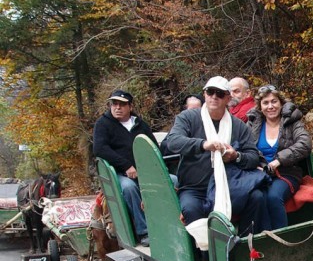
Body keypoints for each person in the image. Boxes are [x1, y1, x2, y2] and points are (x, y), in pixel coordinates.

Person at [162, 76, 268, 239]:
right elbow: (173, 142)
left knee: (257, 197)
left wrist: (235, 156)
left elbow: (253, 157)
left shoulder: (238, 125)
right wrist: (203, 145)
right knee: (191, 208)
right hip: (195, 188)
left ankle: (245, 249)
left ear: (227, 98)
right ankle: (204, 259)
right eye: (210, 92)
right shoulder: (188, 118)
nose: (214, 97)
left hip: (229, 186)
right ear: (204, 94)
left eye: (219, 93)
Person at [92, 89, 156, 246]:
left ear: (130, 107)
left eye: (122, 104)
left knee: (173, 181)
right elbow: (100, 149)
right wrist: (126, 165)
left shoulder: (140, 125)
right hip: (118, 174)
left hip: (144, 171)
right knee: (129, 188)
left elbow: (153, 146)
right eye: (114, 104)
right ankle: (144, 231)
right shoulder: (103, 124)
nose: (117, 107)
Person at [246, 85, 312, 230]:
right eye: (266, 103)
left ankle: (280, 243)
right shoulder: (253, 124)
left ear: (281, 103)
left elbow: (305, 144)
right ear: (260, 107)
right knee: (256, 197)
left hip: (286, 173)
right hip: (259, 174)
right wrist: (254, 165)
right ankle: (259, 241)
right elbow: (245, 148)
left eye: (274, 101)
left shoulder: (292, 122)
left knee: (273, 197)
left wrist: (279, 160)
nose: (270, 106)